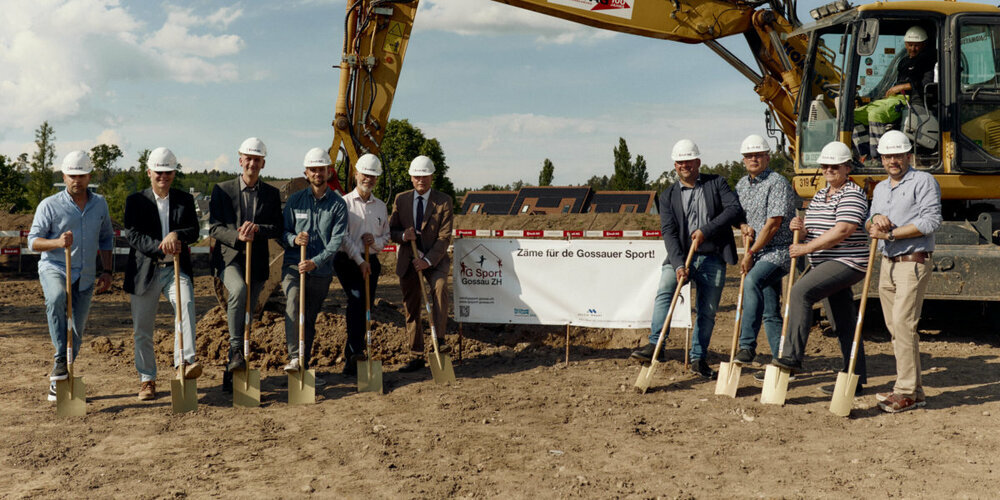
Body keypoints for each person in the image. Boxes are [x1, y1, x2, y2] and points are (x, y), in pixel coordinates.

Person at [630, 139, 742, 379]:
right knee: (665, 291)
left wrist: (706, 230)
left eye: (689, 161)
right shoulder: (668, 195)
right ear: (675, 165)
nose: (684, 165)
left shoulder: (717, 183)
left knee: (707, 310)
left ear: (698, 162)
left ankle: (698, 359)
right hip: (681, 256)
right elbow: (668, 232)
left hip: (712, 255)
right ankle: (656, 345)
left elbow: (733, 210)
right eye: (680, 162)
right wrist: (679, 264)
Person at [771, 141, 870, 395]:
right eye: (825, 166)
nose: (828, 170)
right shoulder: (819, 194)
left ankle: (792, 356)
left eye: (834, 166)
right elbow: (814, 231)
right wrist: (801, 230)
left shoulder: (852, 194)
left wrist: (806, 249)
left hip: (847, 262)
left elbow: (843, 230)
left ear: (847, 167)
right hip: (825, 262)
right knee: (843, 322)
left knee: (800, 292)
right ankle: (855, 378)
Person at [28, 151, 114, 401]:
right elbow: (33, 242)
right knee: (56, 298)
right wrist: (56, 242)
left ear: (90, 177)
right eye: (72, 175)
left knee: (76, 329)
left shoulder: (100, 204)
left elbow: (107, 237)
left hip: (86, 274)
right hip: (55, 267)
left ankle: (62, 374)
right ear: (64, 176)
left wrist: (107, 270)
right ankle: (58, 364)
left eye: (82, 175)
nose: (77, 180)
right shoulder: (49, 205)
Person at [866, 130, 941, 412]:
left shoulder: (923, 181)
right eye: (887, 156)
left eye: (898, 155)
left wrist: (893, 234)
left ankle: (905, 391)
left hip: (912, 261)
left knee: (904, 324)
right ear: (882, 159)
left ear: (909, 155)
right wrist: (875, 220)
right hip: (887, 263)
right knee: (896, 328)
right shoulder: (881, 188)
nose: (893, 161)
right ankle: (916, 390)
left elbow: (931, 220)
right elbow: (869, 222)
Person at [123, 147, 203, 401]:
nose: (164, 177)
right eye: (159, 172)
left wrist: (177, 235)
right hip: (145, 271)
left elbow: (194, 231)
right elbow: (133, 235)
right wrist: (161, 246)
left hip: (175, 269)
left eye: (168, 172)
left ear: (173, 174)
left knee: (186, 306)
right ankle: (147, 379)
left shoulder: (184, 200)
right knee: (143, 329)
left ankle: (185, 363)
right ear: (149, 172)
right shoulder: (136, 201)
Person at [209, 137, 283, 393]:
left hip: (258, 261)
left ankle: (235, 365)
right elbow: (215, 228)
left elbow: (277, 227)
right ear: (240, 160)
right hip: (229, 258)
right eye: (248, 158)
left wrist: (259, 229)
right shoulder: (222, 190)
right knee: (238, 291)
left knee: (249, 312)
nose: (252, 163)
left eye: (257, 159)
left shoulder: (271, 194)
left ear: (263, 163)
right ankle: (236, 347)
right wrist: (237, 236)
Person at [279, 148, 348, 386]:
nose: (318, 173)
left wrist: (315, 261)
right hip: (293, 266)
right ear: (306, 173)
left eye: (321, 169)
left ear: (329, 172)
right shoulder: (295, 200)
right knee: (294, 301)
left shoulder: (338, 205)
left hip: (320, 271)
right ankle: (295, 357)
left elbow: (336, 241)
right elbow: (283, 231)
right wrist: (293, 240)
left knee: (308, 318)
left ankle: (304, 366)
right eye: (313, 170)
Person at [732, 135, 798, 365]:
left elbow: (773, 224)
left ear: (767, 157)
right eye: (749, 156)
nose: (754, 159)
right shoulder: (741, 185)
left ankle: (747, 346)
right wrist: (743, 227)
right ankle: (781, 357)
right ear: (743, 160)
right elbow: (741, 219)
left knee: (752, 282)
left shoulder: (777, 183)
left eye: (758, 155)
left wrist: (749, 255)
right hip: (758, 252)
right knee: (770, 310)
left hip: (778, 251)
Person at [389, 155, 453, 373]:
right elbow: (391, 232)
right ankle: (415, 354)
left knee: (440, 289)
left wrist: (426, 261)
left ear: (432, 177)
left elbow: (444, 237)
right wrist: (403, 236)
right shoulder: (401, 199)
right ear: (411, 178)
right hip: (409, 259)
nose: (421, 180)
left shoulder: (444, 201)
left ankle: (439, 342)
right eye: (417, 176)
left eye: (425, 176)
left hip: (434, 261)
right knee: (412, 307)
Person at [333, 153, 390, 377]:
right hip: (348, 261)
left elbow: (385, 235)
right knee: (356, 301)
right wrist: (359, 260)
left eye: (373, 176)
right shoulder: (344, 203)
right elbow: (343, 237)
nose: (369, 179)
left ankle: (356, 353)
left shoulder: (381, 207)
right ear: (356, 174)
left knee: (366, 306)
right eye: (365, 174)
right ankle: (354, 354)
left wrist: (375, 243)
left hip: (370, 261)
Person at [855, 26, 937, 160]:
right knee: (853, 116)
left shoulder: (928, 61)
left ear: (923, 45)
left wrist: (900, 87)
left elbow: (925, 84)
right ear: (905, 44)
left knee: (876, 114)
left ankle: (878, 158)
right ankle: (865, 153)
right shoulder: (904, 62)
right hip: (893, 98)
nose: (913, 48)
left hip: (908, 99)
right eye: (910, 45)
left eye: (916, 45)